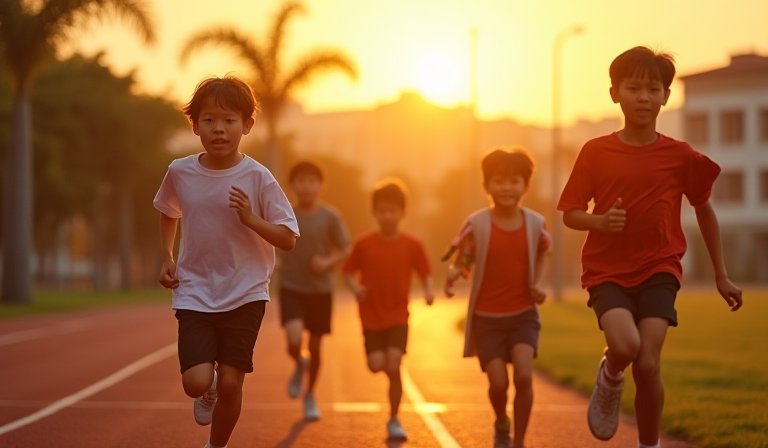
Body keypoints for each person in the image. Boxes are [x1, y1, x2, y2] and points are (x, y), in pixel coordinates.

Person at [557, 46, 743, 448]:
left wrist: (721, 275)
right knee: (625, 346)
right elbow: (570, 213)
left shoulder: (679, 155)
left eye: (652, 89)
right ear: (614, 93)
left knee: (648, 362)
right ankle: (609, 374)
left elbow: (705, 212)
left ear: (665, 96)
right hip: (606, 271)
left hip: (660, 268)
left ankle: (648, 445)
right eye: (633, 87)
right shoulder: (595, 151)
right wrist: (600, 222)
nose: (643, 97)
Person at [154, 76, 299, 448]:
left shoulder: (258, 177)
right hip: (195, 292)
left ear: (247, 125)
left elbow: (288, 238)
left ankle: (216, 446)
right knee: (195, 382)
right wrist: (167, 256)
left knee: (234, 382)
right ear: (195, 124)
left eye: (229, 120)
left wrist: (251, 219)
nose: (219, 128)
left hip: (246, 293)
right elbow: (168, 211)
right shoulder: (179, 172)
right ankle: (209, 389)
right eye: (209, 120)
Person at [444, 148, 550, 448]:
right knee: (498, 383)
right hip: (487, 318)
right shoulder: (477, 223)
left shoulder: (535, 223)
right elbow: (464, 257)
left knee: (525, 376)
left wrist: (537, 283)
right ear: (487, 186)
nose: (507, 187)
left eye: (515, 181)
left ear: (525, 187)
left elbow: (543, 250)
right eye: (499, 181)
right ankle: (501, 421)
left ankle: (519, 441)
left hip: (523, 315)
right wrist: (454, 274)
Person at [342, 178, 435, 442]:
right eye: (382, 210)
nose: (387, 216)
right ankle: (388, 379)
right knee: (376, 365)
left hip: (397, 315)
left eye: (393, 211)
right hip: (370, 315)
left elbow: (425, 272)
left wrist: (428, 291)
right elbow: (347, 272)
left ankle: (394, 418)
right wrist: (355, 289)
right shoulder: (363, 244)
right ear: (374, 212)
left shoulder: (413, 244)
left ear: (403, 213)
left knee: (394, 364)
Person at [278, 160, 350, 421]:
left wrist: (327, 263)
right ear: (293, 185)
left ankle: (310, 395)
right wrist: (275, 261)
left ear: (321, 186)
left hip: (320, 290)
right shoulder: (285, 213)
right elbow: (274, 240)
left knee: (317, 346)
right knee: (294, 339)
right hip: (292, 286)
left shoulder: (330, 216)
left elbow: (344, 248)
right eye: (301, 181)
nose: (306, 186)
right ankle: (299, 362)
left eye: (311, 181)